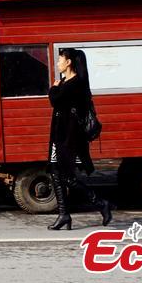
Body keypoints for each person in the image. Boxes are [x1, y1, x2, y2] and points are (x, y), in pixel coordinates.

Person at [46, 47, 113, 231]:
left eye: (60, 59)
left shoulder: (76, 83)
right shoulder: (67, 82)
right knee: (55, 173)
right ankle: (64, 215)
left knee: (67, 176)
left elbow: (55, 99)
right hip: (59, 136)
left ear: (68, 62)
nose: (58, 63)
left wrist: (54, 87)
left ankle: (101, 203)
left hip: (70, 139)